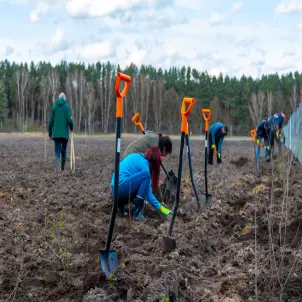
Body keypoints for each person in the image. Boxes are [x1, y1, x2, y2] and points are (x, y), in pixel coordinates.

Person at [111, 146, 172, 222]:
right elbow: (148, 193)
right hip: (122, 187)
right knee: (146, 176)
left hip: (115, 190)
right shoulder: (144, 165)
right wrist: (161, 208)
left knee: (137, 183)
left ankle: (121, 208)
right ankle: (137, 214)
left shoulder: (137, 156)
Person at [48, 92, 73, 171]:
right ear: (64, 98)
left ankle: (56, 168)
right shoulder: (66, 107)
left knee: (57, 150)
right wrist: (72, 128)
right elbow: (69, 119)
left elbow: (50, 121)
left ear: (59, 98)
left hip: (56, 133)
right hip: (65, 134)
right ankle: (62, 168)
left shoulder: (54, 107)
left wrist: (50, 133)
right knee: (64, 150)